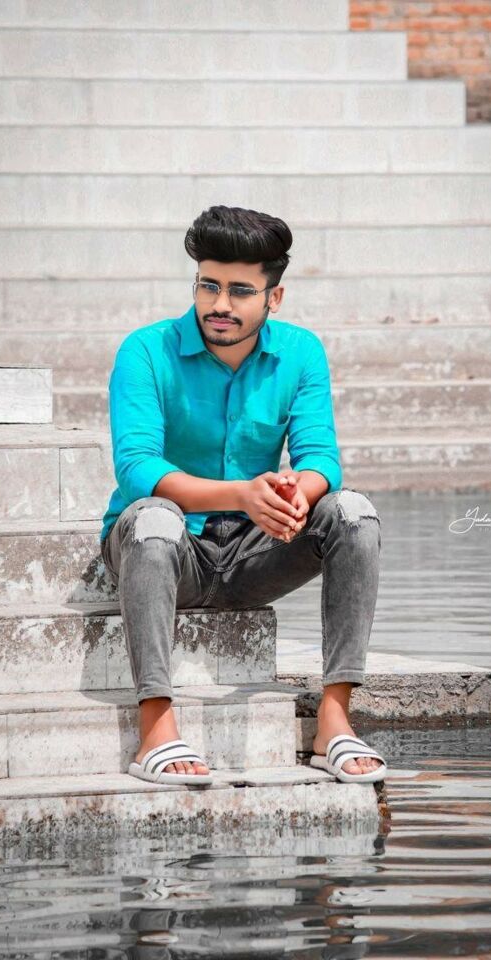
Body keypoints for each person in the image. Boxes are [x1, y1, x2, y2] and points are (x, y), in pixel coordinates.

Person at [100, 205, 385, 785]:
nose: (220, 304)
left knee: (352, 512)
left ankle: (334, 721)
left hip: (257, 552)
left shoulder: (301, 352)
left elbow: (321, 459)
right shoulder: (145, 350)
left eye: (239, 290)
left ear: (273, 297)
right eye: (208, 285)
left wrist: (296, 494)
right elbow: (136, 468)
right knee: (153, 517)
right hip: (166, 551)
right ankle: (156, 727)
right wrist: (241, 494)